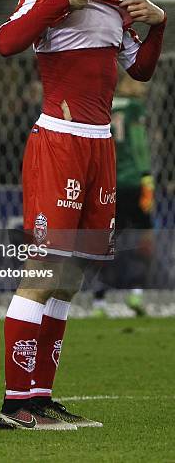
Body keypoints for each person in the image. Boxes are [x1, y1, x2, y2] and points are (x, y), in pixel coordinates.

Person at [0, 0, 166, 430]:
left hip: (100, 147)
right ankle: (14, 405)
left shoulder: (114, 3)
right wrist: (57, 6)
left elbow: (139, 68)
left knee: (70, 278)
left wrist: (158, 25)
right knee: (43, 272)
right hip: (59, 142)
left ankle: (40, 398)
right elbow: (5, 42)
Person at [92, 74, 154, 316]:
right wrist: (146, 177)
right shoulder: (134, 108)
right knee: (144, 236)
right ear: (126, 84)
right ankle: (136, 293)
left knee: (106, 242)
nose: (143, 87)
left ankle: (99, 301)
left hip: (107, 184)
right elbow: (138, 145)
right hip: (132, 182)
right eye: (138, 82)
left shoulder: (103, 105)